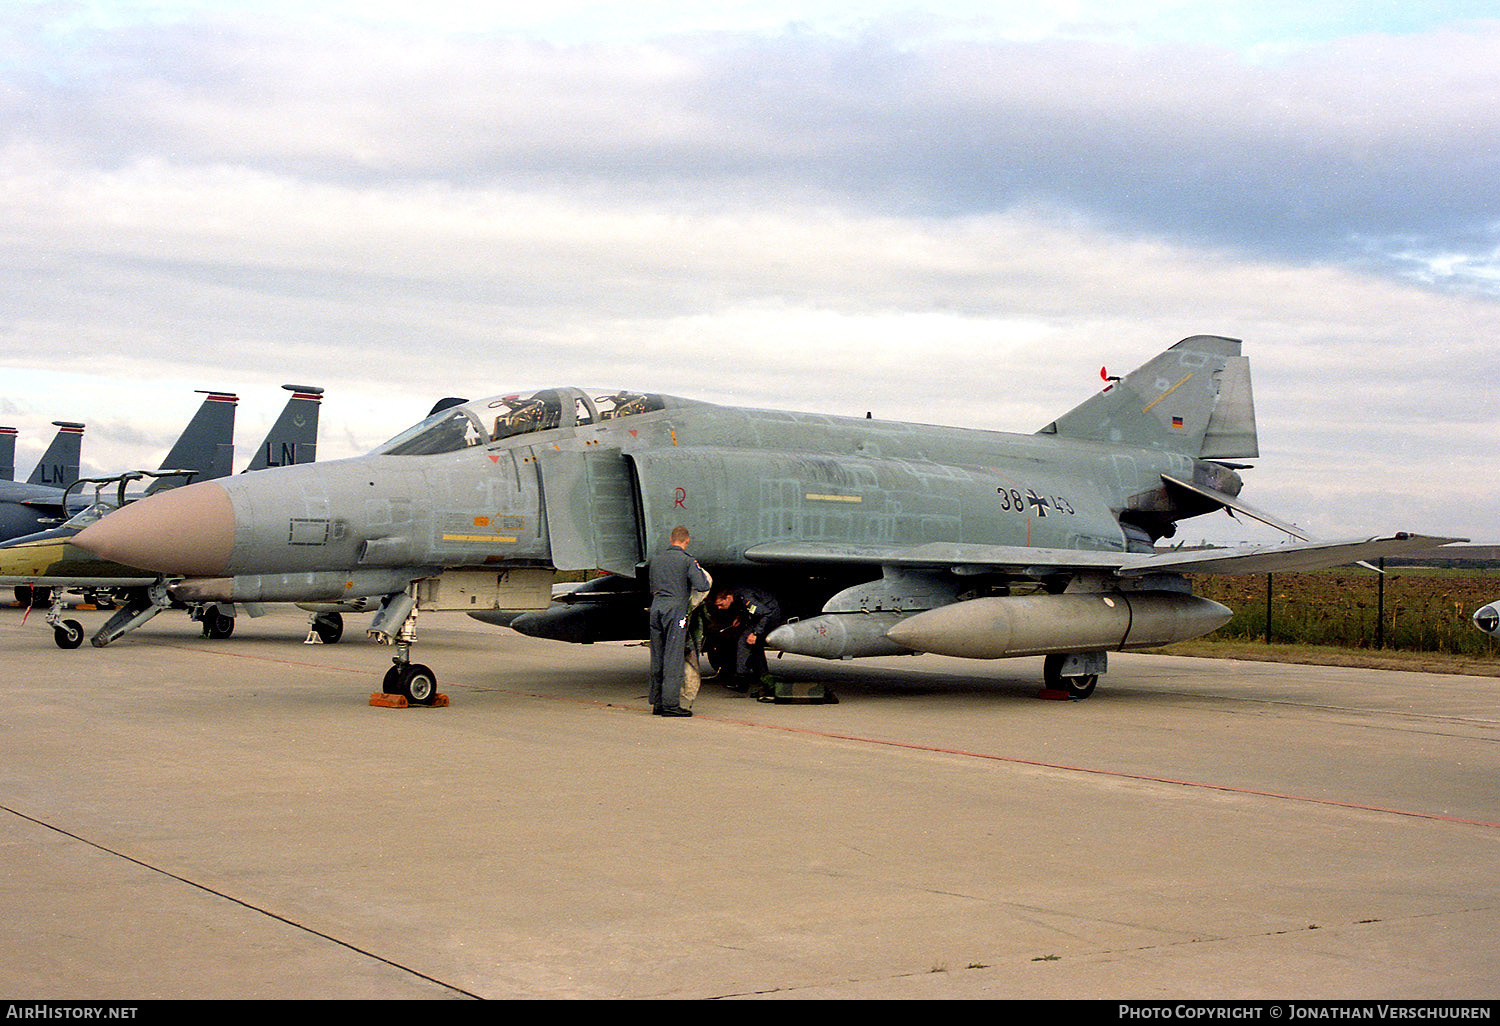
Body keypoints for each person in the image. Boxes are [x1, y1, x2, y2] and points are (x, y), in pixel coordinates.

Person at [648, 526, 711, 717]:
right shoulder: (687, 561)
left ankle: (657, 702)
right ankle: (670, 705)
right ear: (687, 541)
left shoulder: (656, 560)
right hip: (675, 612)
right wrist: (697, 568)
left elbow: (652, 585)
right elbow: (702, 585)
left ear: (670, 539)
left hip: (656, 608)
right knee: (673, 657)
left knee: (657, 656)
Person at [710, 585, 783, 690]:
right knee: (754, 647)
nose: (719, 608)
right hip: (763, 616)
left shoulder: (746, 598)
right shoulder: (738, 596)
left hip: (769, 617)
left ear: (728, 597)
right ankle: (763, 676)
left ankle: (741, 681)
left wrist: (755, 633)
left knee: (744, 642)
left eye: (721, 604)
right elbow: (749, 611)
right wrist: (740, 618)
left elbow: (765, 614)